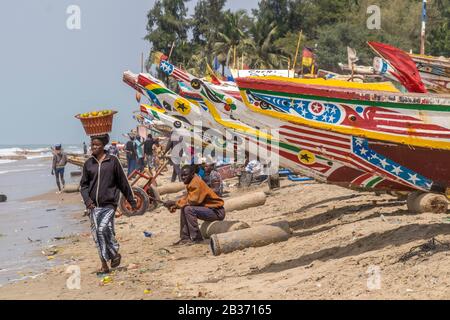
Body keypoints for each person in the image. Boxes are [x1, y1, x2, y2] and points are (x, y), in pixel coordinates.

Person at [80, 134, 137, 274]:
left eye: (97, 145)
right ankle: (104, 265)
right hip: (93, 206)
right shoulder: (88, 163)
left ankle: (114, 252)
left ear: (103, 145)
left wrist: (131, 200)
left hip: (109, 205)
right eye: (92, 144)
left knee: (103, 230)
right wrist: (87, 201)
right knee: (96, 236)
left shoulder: (113, 161)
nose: (94, 147)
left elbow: (123, 182)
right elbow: (83, 186)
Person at [163, 165, 225, 245]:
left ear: (192, 174)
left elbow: (192, 201)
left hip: (216, 212)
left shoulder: (195, 183)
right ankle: (185, 238)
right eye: (182, 175)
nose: (183, 177)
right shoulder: (192, 182)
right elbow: (187, 199)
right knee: (185, 208)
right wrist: (175, 205)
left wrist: (174, 203)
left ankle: (197, 238)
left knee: (188, 209)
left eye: (185, 175)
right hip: (210, 210)